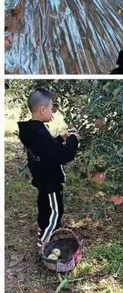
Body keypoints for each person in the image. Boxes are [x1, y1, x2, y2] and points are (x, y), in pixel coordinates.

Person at [17, 88, 80, 247]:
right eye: (52, 108)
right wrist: (73, 139)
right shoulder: (39, 133)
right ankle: (45, 243)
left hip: (42, 179)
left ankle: (42, 230)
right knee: (56, 212)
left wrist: (59, 138)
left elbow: (46, 149)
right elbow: (64, 155)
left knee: (44, 208)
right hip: (50, 181)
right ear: (42, 109)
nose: (53, 113)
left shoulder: (32, 130)